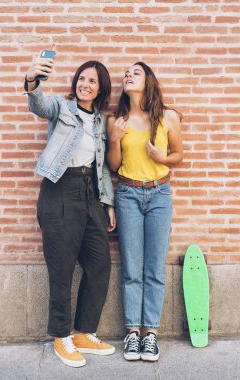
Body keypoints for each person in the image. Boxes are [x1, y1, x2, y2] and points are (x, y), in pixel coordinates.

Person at [24, 54, 116, 368]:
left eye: (92, 80)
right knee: (61, 270)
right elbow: (39, 105)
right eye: (81, 78)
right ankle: (60, 337)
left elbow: (102, 168)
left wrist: (107, 202)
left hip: (90, 193)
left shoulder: (102, 121)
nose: (85, 84)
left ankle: (82, 332)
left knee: (100, 264)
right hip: (59, 190)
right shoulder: (62, 109)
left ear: (101, 88)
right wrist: (32, 80)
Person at [107, 62, 183, 362]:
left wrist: (161, 156)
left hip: (159, 194)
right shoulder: (118, 120)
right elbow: (113, 165)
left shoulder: (167, 117)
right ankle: (132, 334)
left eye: (135, 72)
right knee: (131, 268)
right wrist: (114, 140)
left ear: (148, 80)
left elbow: (178, 155)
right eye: (126, 73)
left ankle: (150, 334)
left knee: (153, 268)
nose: (128, 75)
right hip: (127, 194)